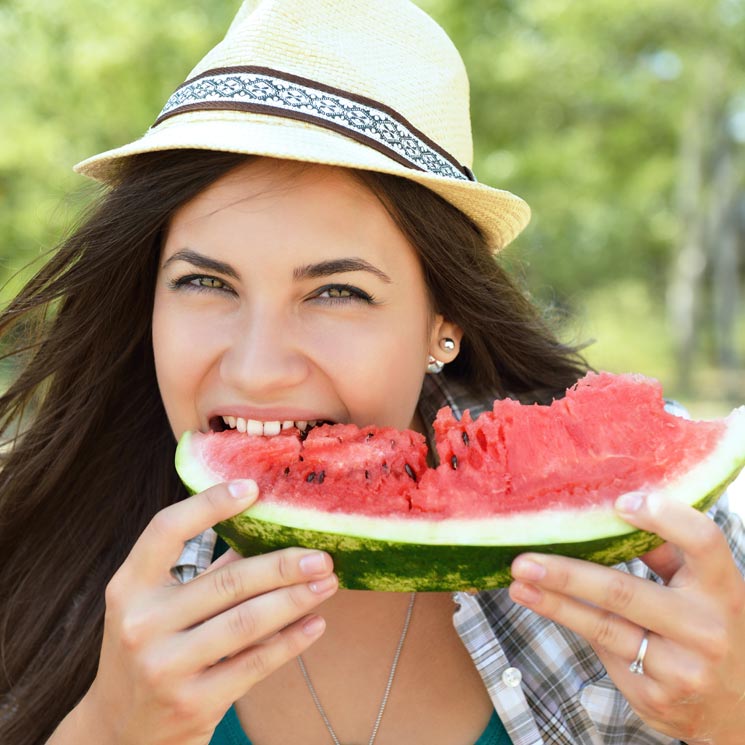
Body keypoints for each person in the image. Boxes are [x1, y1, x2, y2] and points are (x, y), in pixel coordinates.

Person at [1, 1, 743, 744]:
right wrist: (105, 727)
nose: (258, 371)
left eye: (335, 292)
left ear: (443, 321)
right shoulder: (28, 555)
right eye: (205, 282)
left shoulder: (676, 562)